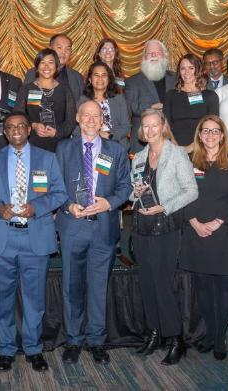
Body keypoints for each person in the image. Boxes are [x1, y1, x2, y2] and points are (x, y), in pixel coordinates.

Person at [0, 113, 67, 373]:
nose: (17, 131)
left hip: (36, 237)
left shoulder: (48, 158)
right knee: (3, 298)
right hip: (3, 237)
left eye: (21, 126)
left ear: (29, 130)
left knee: (34, 299)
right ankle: (6, 350)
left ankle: (33, 349)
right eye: (10, 128)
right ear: (5, 132)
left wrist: (37, 206)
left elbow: (59, 193)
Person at [55, 100, 132, 365]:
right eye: (86, 115)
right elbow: (55, 186)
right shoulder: (63, 149)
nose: (90, 120)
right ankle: (74, 340)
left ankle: (97, 340)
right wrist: (67, 205)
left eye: (96, 116)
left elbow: (126, 186)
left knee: (99, 287)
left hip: (103, 226)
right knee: (71, 286)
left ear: (103, 120)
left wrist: (108, 202)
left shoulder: (117, 151)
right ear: (77, 118)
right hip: (73, 225)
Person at [129, 109, 197, 364]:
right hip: (141, 227)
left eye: (154, 125)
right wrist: (134, 193)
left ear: (163, 126)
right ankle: (154, 333)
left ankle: (175, 338)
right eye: (145, 126)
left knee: (163, 284)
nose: (149, 130)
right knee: (147, 283)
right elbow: (130, 194)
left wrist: (165, 206)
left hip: (165, 227)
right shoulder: (139, 157)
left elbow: (191, 191)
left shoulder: (177, 154)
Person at [179, 114, 228, 361]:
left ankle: (219, 337)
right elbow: (180, 194)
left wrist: (217, 222)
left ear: (222, 135)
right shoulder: (188, 161)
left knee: (224, 286)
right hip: (196, 230)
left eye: (215, 131)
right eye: (205, 131)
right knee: (204, 287)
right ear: (199, 135)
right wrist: (195, 222)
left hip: (225, 231)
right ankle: (209, 333)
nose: (210, 135)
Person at [13, 49, 76, 152]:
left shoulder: (65, 89)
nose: (46, 67)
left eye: (51, 63)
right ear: (37, 67)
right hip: (32, 144)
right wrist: (33, 125)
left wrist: (57, 132)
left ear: (56, 66)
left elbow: (71, 120)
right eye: (42, 62)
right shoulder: (26, 89)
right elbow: (18, 116)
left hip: (59, 146)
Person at [125, 40, 176, 153]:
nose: (153, 55)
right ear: (144, 58)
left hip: (171, 139)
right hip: (143, 140)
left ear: (164, 55)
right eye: (149, 53)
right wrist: (152, 107)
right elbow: (131, 108)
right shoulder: (132, 81)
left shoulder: (176, 78)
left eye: (157, 52)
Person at [163, 54, 219, 152]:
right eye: (183, 68)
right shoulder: (171, 95)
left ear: (198, 70)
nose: (186, 72)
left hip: (202, 148)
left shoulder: (210, 96)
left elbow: (213, 126)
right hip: (174, 149)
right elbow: (165, 123)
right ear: (179, 72)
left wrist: (193, 146)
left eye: (191, 68)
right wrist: (174, 144)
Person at [78, 61, 132, 150]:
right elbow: (77, 128)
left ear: (109, 79)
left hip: (117, 145)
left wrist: (110, 136)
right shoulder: (83, 100)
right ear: (90, 80)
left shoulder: (118, 98)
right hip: (90, 147)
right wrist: (96, 135)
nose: (100, 78)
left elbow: (126, 126)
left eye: (104, 75)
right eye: (96, 75)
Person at [23, 34, 84, 101]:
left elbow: (80, 105)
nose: (64, 52)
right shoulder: (33, 73)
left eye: (68, 49)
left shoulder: (77, 77)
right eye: (59, 47)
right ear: (50, 49)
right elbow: (26, 101)